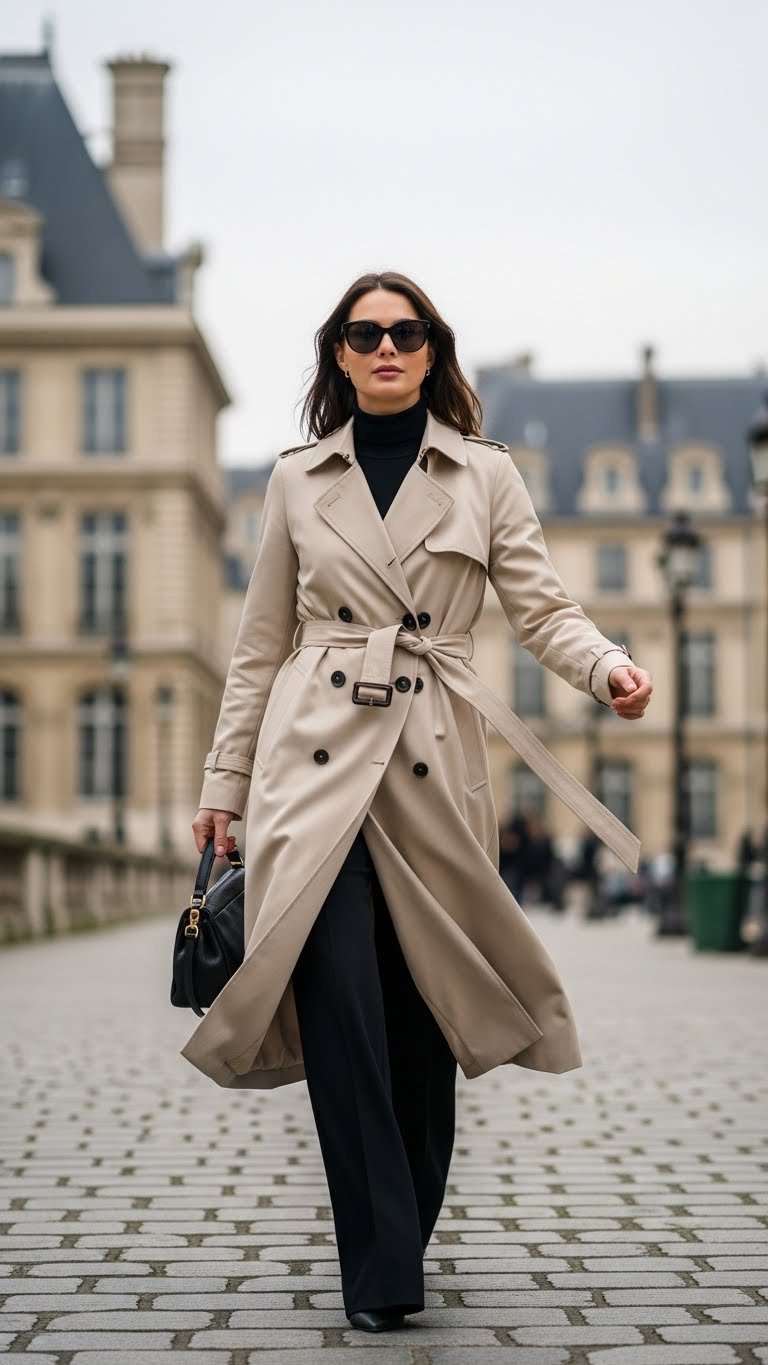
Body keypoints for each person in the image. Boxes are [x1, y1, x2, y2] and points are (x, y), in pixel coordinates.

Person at [185, 270, 654, 1333]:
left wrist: (607, 668)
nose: (386, 348)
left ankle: (402, 1226)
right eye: (366, 333)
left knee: (418, 1018)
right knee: (342, 1003)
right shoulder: (297, 479)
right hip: (313, 766)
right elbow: (259, 648)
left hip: (433, 764)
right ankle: (383, 1265)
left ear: (433, 352)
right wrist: (223, 785)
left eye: (407, 332)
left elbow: (542, 608)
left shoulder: (486, 476)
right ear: (339, 355)